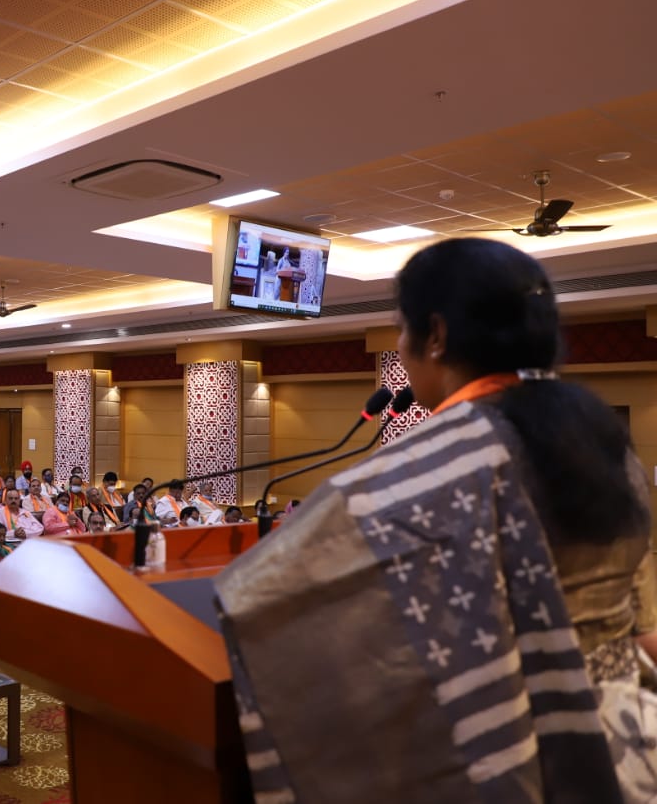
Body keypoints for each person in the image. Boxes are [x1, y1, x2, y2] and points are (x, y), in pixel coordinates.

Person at [214, 238, 649, 802]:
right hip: (630, 741)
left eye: (401, 328)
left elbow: (265, 595)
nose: (400, 345)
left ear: (436, 335)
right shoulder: (606, 445)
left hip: (516, 751)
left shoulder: (440, 466)